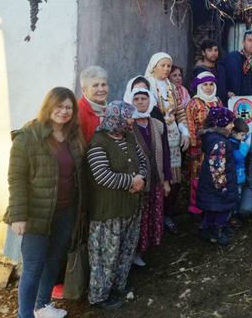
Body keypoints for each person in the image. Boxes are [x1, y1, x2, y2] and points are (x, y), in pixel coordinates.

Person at [5, 87, 86, 318]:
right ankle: (25, 315)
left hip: (65, 211)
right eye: (59, 106)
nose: (63, 111)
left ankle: (42, 307)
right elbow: (16, 178)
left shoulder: (73, 136)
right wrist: (18, 216)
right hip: (35, 214)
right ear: (48, 106)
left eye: (68, 107)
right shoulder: (27, 137)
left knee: (54, 260)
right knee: (33, 266)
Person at [86, 101, 148, 310]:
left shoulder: (129, 136)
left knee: (126, 249)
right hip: (109, 212)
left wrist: (142, 178)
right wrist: (132, 181)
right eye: (128, 117)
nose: (132, 120)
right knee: (106, 256)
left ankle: (118, 286)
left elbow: (143, 161)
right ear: (117, 119)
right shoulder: (98, 142)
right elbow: (102, 175)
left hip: (131, 206)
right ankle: (99, 295)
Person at [123, 84, 171, 267]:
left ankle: (149, 249)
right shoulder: (128, 127)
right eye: (136, 99)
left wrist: (166, 180)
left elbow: (165, 153)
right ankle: (135, 252)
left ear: (150, 101)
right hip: (138, 182)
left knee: (155, 213)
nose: (141, 102)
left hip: (157, 179)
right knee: (139, 218)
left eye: (144, 99)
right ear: (131, 101)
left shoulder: (157, 124)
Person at [145, 52, 190, 231]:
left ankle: (168, 213)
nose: (166, 69)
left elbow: (179, 111)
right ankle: (155, 216)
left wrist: (184, 131)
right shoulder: (147, 85)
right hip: (157, 135)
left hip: (173, 135)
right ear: (154, 66)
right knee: (159, 175)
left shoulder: (171, 87)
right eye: (162, 65)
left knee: (174, 178)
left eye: (168, 66)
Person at [196, 107, 238, 246]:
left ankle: (206, 228)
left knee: (211, 208)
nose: (233, 125)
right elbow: (217, 167)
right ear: (221, 124)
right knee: (221, 209)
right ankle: (217, 231)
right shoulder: (220, 142)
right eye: (230, 122)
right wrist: (222, 187)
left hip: (209, 184)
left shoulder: (212, 138)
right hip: (218, 185)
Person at [186, 72, 223, 214]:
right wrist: (194, 145)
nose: (208, 88)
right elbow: (190, 124)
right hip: (200, 147)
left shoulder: (218, 101)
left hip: (216, 145)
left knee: (214, 173)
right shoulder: (194, 103)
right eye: (205, 85)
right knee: (198, 176)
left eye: (211, 84)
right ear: (199, 86)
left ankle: (213, 204)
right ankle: (197, 206)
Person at [78, 65, 109, 142]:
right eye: (95, 85)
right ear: (84, 90)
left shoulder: (111, 109)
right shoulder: (78, 111)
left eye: (103, 84)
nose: (101, 89)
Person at [193, 38, 228, 104]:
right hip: (204, 108)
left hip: (221, 106)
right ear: (203, 52)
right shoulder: (199, 71)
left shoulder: (221, 69)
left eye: (215, 50)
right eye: (210, 50)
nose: (214, 53)